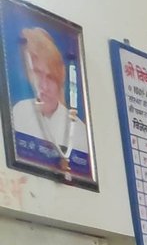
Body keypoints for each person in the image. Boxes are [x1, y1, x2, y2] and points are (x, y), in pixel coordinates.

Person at [9, 26, 90, 181]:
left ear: (60, 79)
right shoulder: (19, 112)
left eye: (51, 77)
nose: (44, 86)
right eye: (38, 73)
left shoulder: (78, 131)